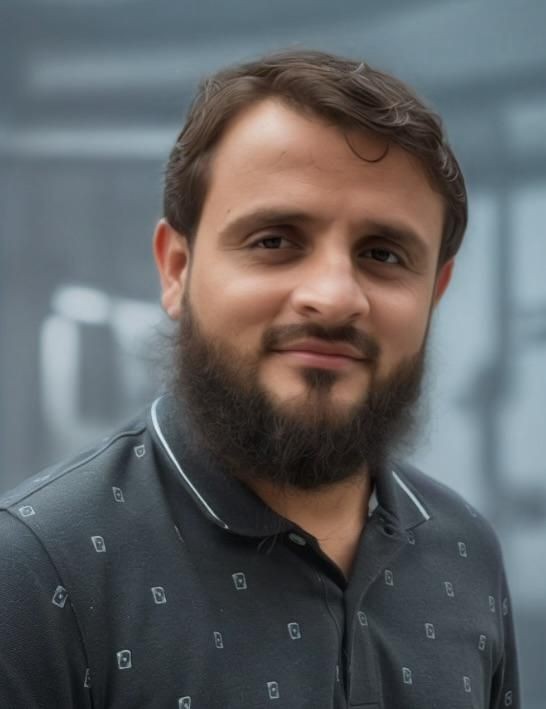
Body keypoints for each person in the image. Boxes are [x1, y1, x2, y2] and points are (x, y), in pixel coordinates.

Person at [0, 50, 519, 708]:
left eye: (383, 254)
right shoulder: (35, 575)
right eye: (276, 239)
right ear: (177, 269)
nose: (333, 297)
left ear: (434, 292)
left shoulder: (466, 553)